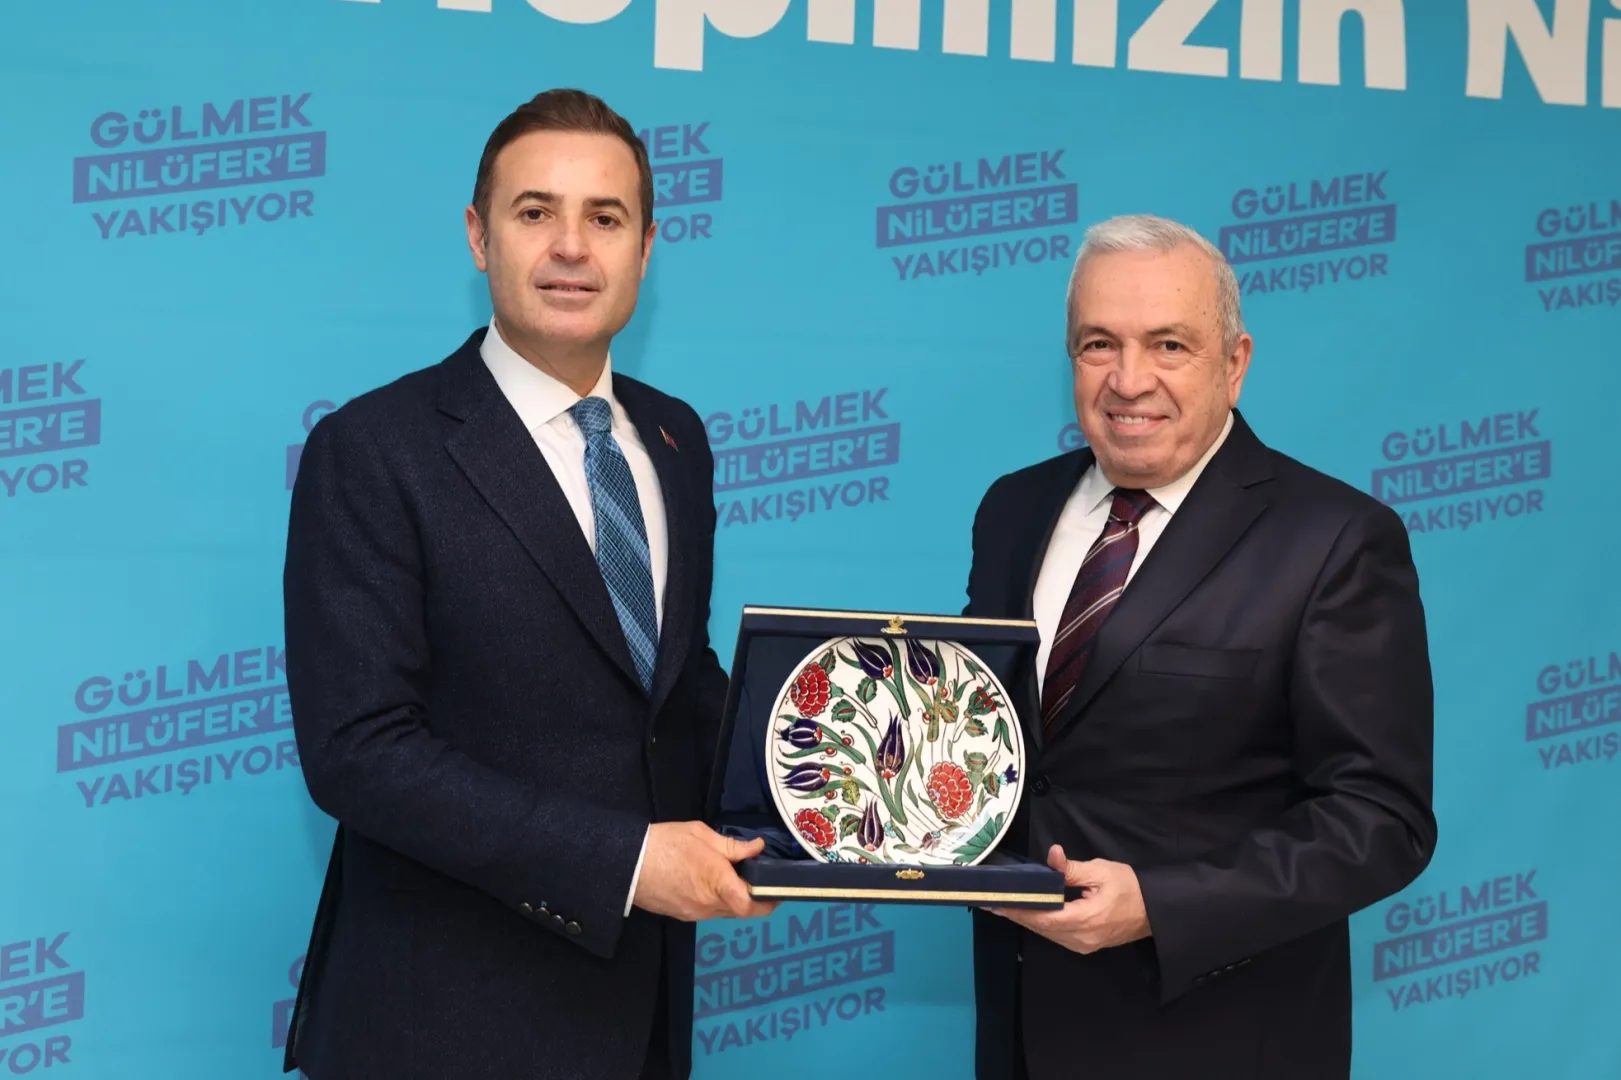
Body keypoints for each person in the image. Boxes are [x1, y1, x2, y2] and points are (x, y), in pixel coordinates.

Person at [279, 88, 774, 1080]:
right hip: (439, 1027)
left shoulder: (675, 438)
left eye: (606, 218)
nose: (571, 247)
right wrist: (626, 862)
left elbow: (672, 691)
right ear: (478, 236)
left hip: (638, 1019)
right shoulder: (373, 449)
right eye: (535, 211)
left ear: (646, 249)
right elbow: (358, 752)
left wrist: (841, 782)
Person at [962, 214, 1437, 1078]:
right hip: (1020, 1028)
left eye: (1168, 345)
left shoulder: (1333, 540)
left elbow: (1380, 820)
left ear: (1234, 362)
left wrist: (1160, 904)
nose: (1128, 379)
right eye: (1098, 344)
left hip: (1220, 1038)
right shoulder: (1012, 509)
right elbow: (981, 730)